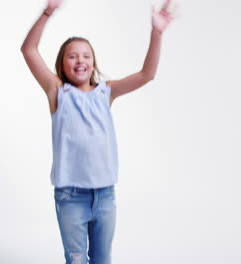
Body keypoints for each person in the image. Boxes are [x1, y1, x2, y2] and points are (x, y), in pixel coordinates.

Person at [20, 0, 177, 263]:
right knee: (77, 259)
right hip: (71, 196)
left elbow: (147, 74)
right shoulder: (58, 91)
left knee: (103, 259)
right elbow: (29, 50)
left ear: (93, 63)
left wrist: (157, 33)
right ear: (62, 64)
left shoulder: (106, 92)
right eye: (72, 55)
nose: (80, 59)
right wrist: (48, 12)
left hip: (105, 195)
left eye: (86, 55)